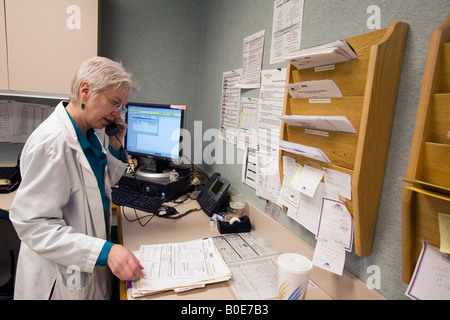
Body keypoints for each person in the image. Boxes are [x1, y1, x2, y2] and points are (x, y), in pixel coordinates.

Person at [10, 56, 145, 300]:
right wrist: (107, 252)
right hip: (56, 279)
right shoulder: (53, 143)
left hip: (86, 266)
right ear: (86, 90)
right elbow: (33, 225)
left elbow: (95, 187)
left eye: (121, 108)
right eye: (114, 103)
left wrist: (115, 147)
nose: (117, 115)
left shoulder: (89, 134)